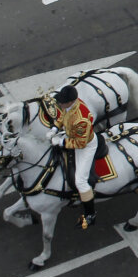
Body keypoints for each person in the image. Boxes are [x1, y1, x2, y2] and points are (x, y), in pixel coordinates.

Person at [50, 85, 99, 228]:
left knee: (80, 181)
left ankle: (90, 214)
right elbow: (63, 115)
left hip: (85, 146)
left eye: (63, 102)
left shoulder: (81, 119)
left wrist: (61, 142)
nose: (60, 104)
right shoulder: (70, 106)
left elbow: (80, 143)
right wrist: (55, 128)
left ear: (70, 101)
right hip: (70, 135)